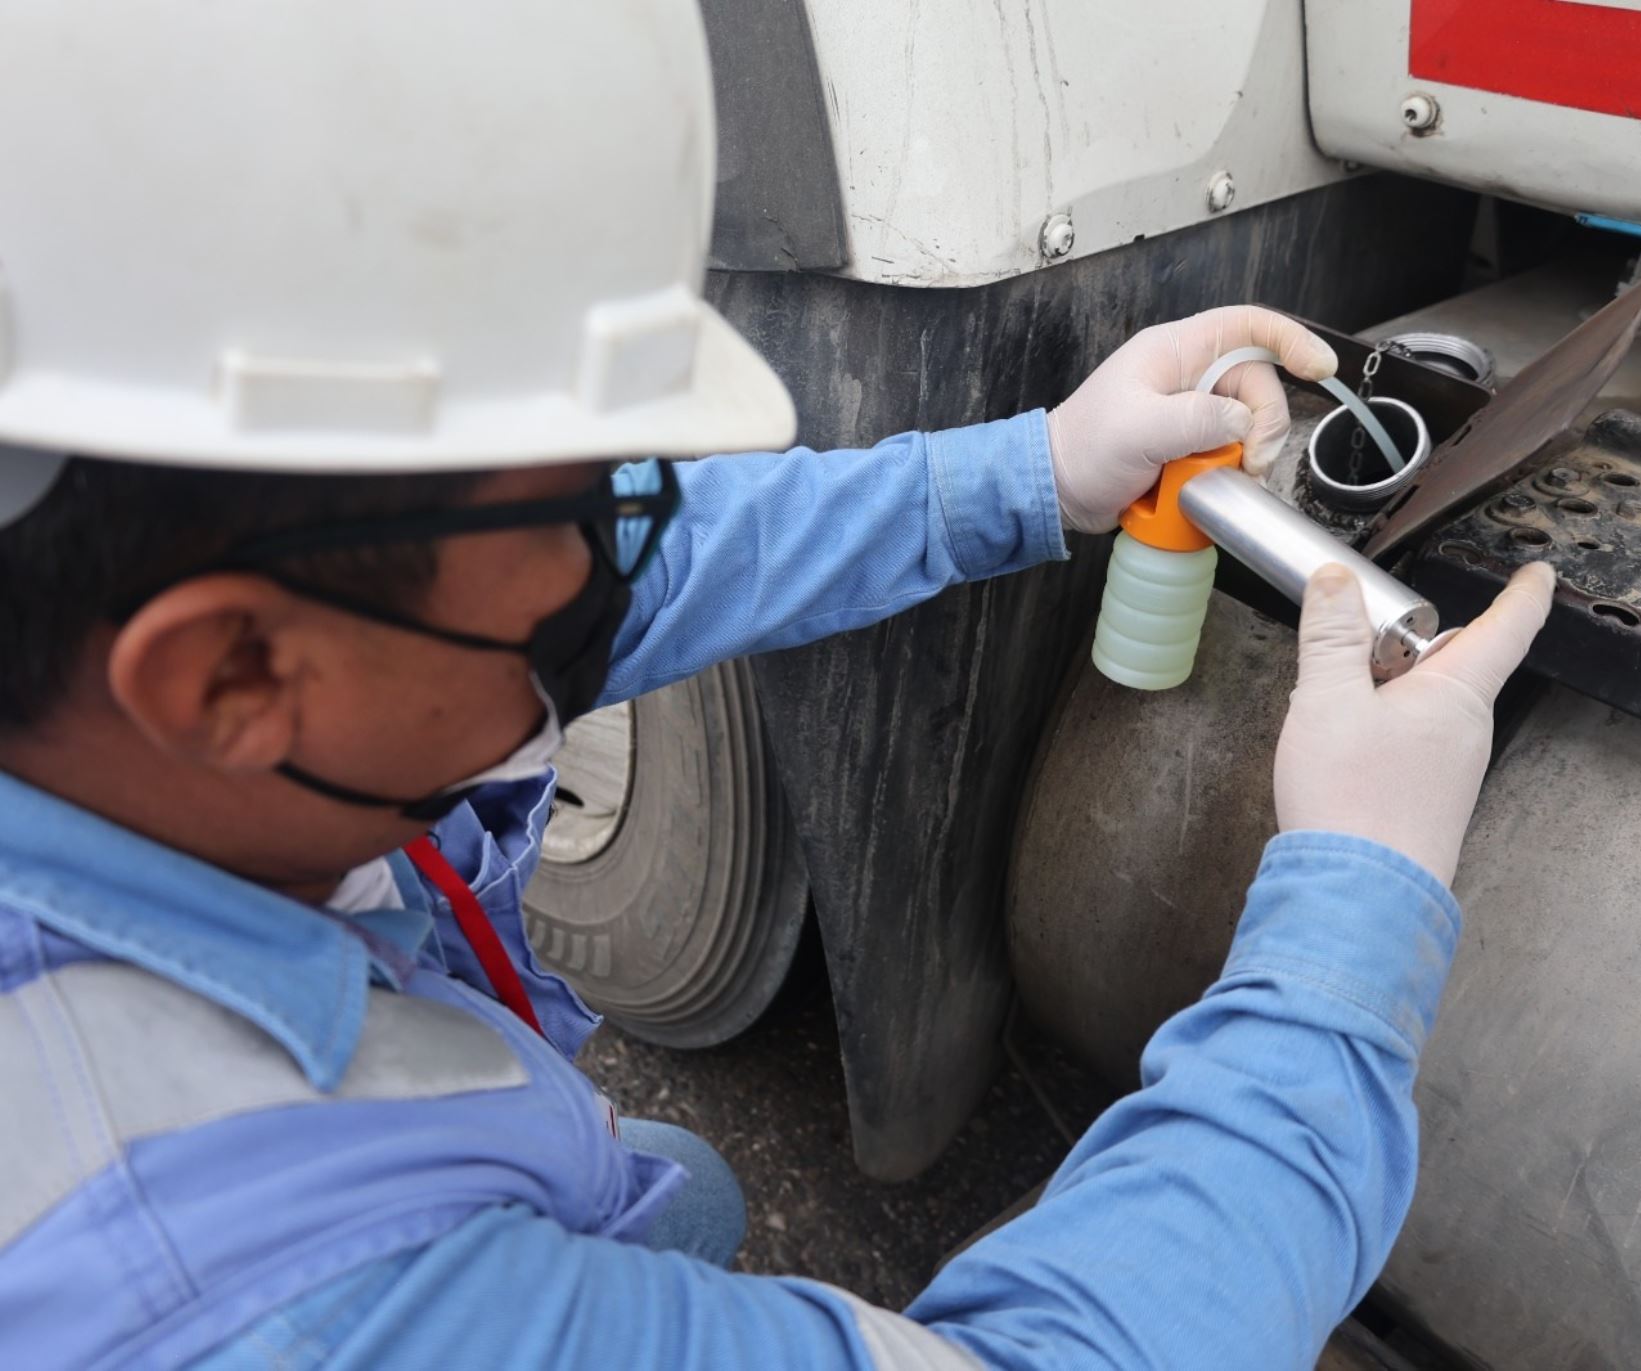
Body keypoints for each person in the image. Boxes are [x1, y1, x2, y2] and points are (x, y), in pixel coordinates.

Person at [0, 1, 1554, 1366]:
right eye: (570, 513)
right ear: (231, 674)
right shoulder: (278, 1304)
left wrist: (1039, 469)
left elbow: (650, 568)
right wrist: (1360, 895)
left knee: (687, 1186)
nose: (621, 550)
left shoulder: (102, 704)